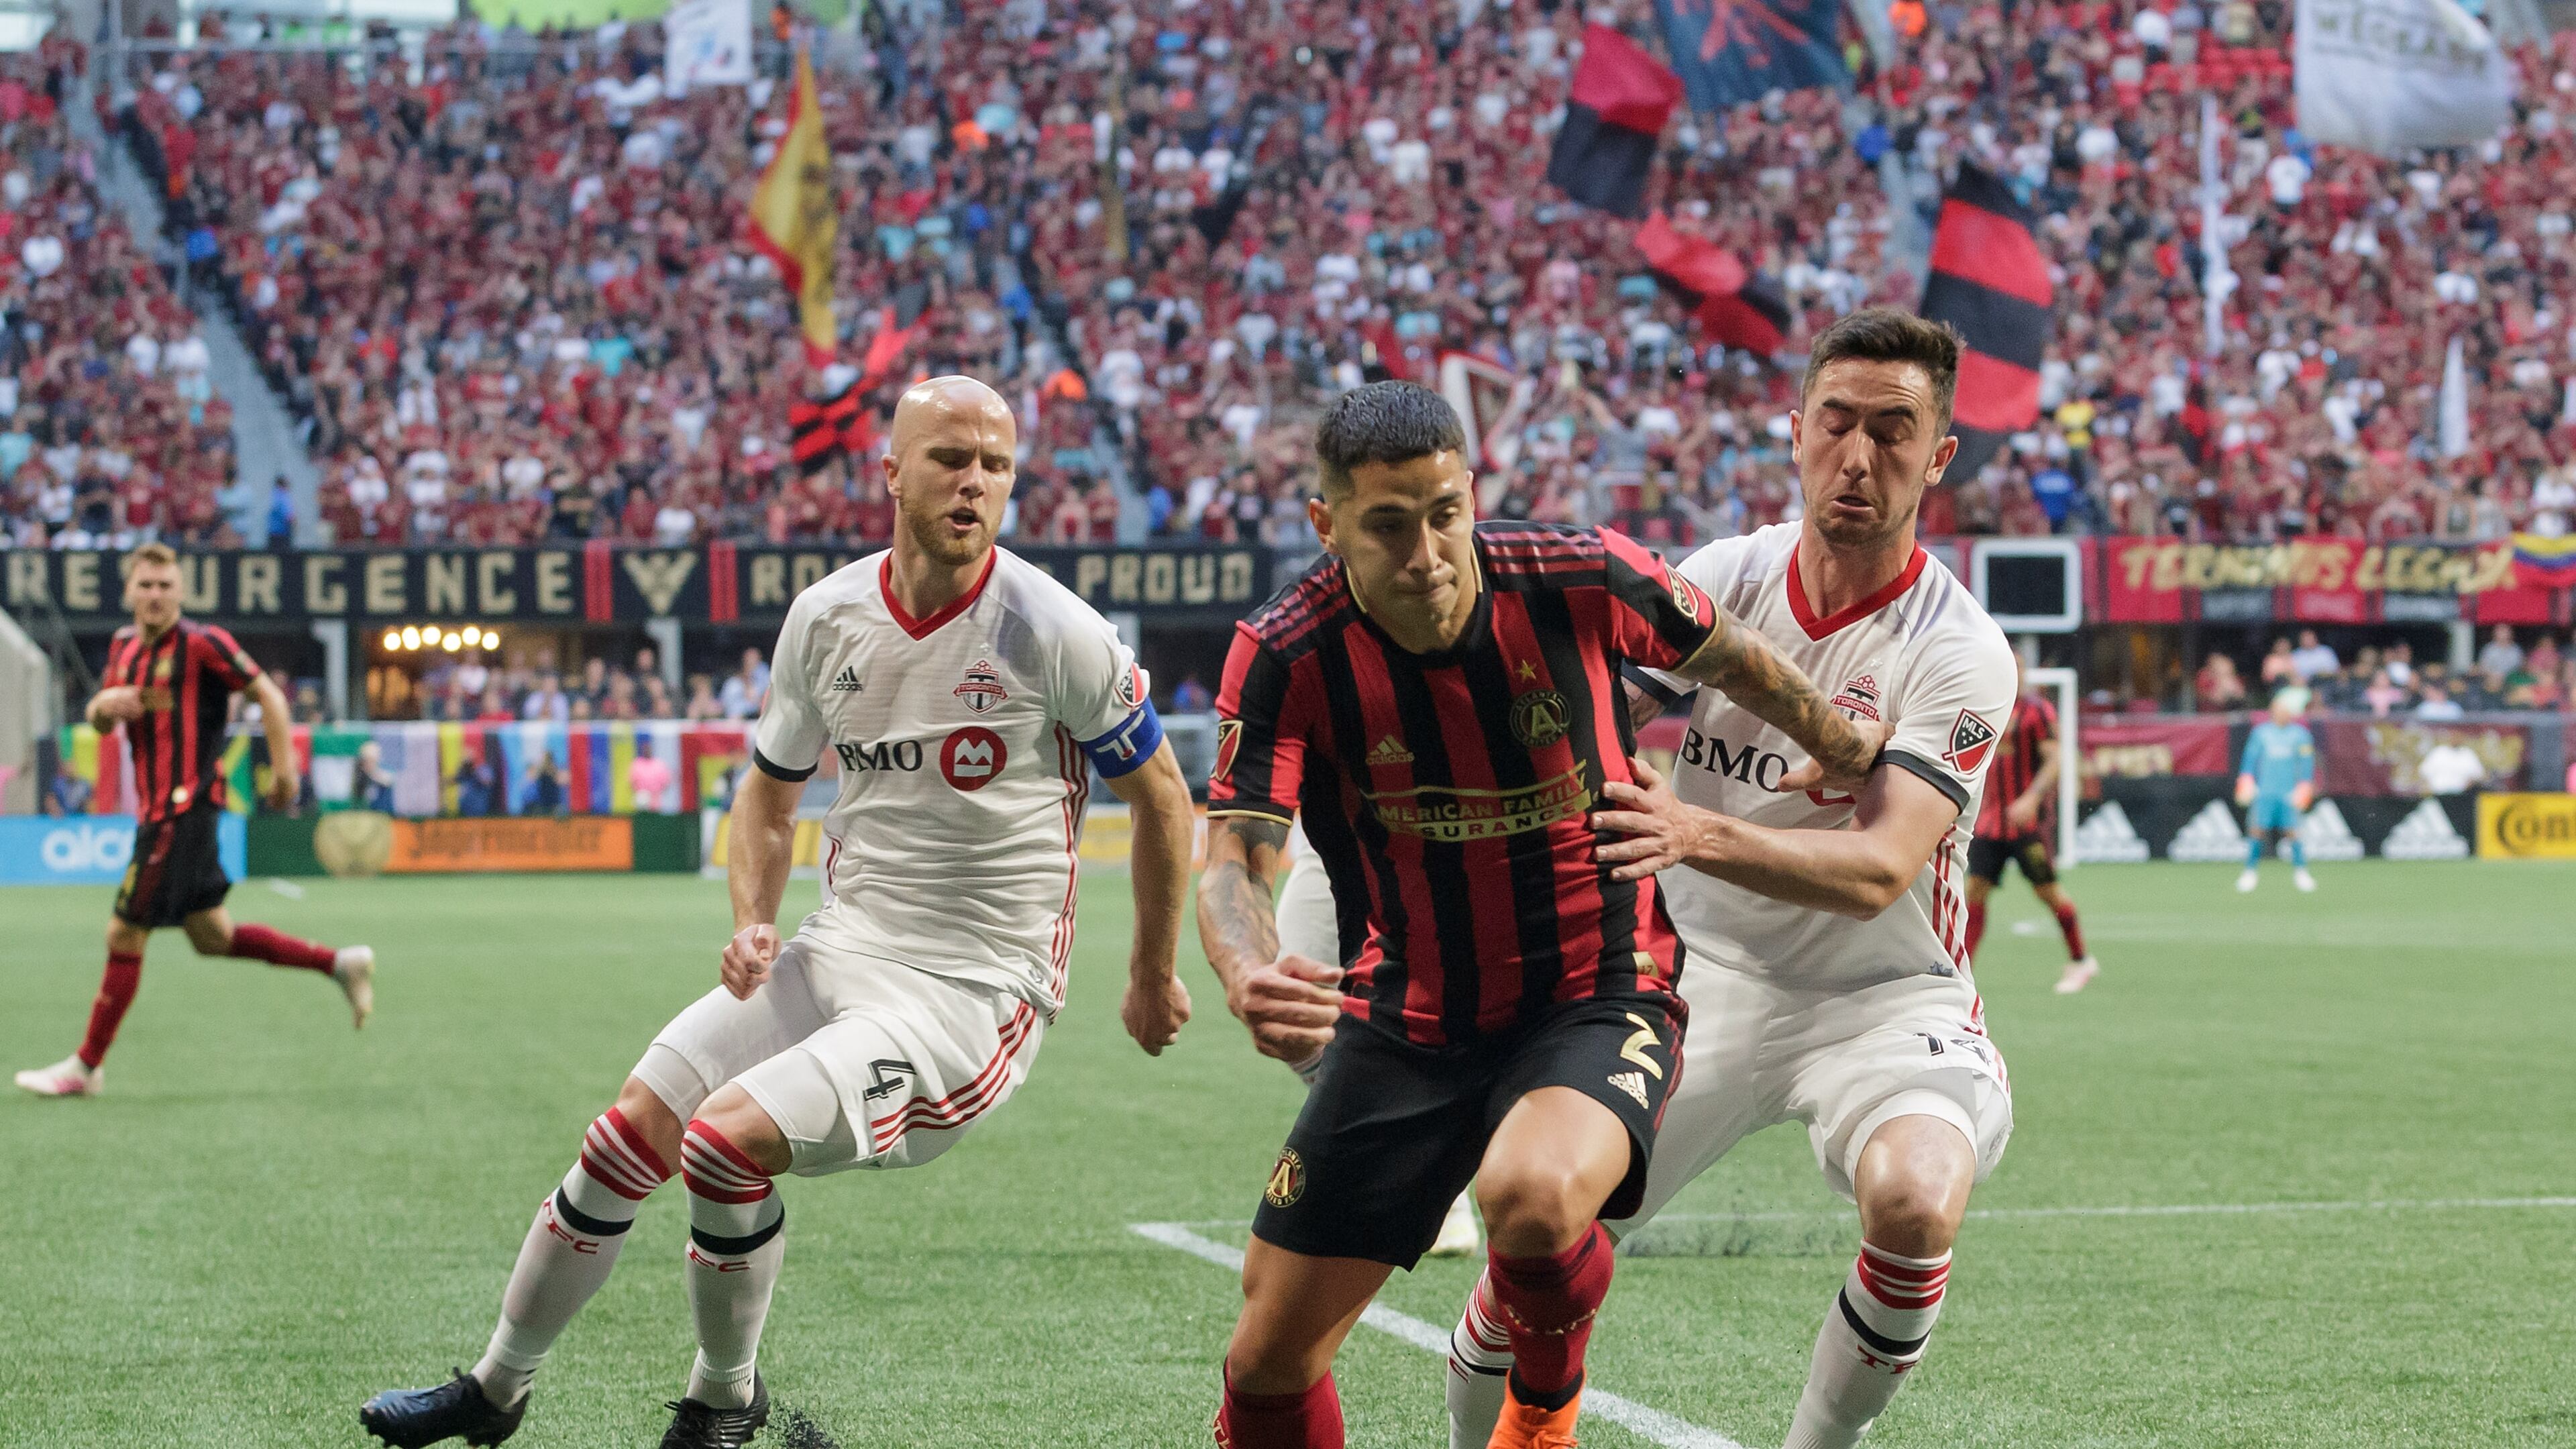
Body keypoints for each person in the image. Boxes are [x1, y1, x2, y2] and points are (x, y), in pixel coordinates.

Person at [358, 377, 1198, 1449]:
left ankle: (724, 1399)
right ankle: (496, 1389)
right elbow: (768, 791)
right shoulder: (828, 616)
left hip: (970, 993)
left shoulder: (1053, 629)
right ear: (892, 473)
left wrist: (1149, 970)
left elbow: (1166, 798)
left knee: (722, 1145)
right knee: (630, 1130)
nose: (975, 482)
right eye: (950, 458)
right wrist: (755, 916)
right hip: (837, 946)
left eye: (996, 465)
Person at [1196, 381, 1886, 1449]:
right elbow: (1236, 850)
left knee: (1527, 1197)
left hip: (1599, 992)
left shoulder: (1579, 575)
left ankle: (1543, 1407)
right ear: (1326, 524)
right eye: (1387, 524)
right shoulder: (1291, 652)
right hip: (1408, 1020)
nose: (1426, 550)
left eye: (1444, 513)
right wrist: (1244, 968)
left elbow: (1731, 652)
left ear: (1471, 494)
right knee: (1266, 1365)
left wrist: (1836, 742)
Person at [1444, 309, 2019, 1449]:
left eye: (1895, 432)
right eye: (1838, 424)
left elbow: (1877, 870)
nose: (1860, 458)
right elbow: (1586, 720)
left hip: (1884, 999)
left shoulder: (1960, 649)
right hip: (1688, 982)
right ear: (1795, 430)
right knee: (1537, 1228)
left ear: (1940, 455)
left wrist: (1694, 835)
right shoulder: (1724, 577)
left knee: (1913, 1196)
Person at [15, 543, 376, 1099]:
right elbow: (103, 722)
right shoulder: (122, 647)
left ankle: (85, 1067)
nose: (156, 595)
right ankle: (339, 964)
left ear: (181, 590)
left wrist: (285, 773)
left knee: (124, 931)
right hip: (161, 814)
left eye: (165, 585)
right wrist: (101, 705)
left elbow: (270, 697)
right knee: (211, 935)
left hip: (181, 811)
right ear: (130, 591)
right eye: (146, 585)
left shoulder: (204, 644)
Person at [1962, 660, 2100, 994]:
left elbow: (2054, 758)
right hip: (1989, 824)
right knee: (1974, 894)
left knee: (2048, 892)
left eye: (2017, 667)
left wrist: (2031, 798)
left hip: (2027, 826)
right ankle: (1961, 975)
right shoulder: (1984, 707)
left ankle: (2081, 961)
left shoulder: (2037, 711)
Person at [2236, 692, 2318, 893]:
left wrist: (2305, 786)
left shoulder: (2300, 735)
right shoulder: (2261, 733)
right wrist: (2246, 780)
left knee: (2294, 833)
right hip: (2265, 792)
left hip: (2288, 793)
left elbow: (2307, 763)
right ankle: (2250, 872)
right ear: (2272, 711)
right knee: (2257, 830)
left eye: (2286, 711)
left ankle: (2301, 873)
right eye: (2279, 710)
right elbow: (2250, 760)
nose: (2283, 714)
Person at [629, 735, 675, 812]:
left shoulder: (659, 764)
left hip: (656, 799)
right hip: (641, 797)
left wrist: (656, 793)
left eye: (649, 749)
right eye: (645, 750)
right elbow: (632, 782)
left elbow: (666, 782)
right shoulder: (637, 764)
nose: (647, 751)